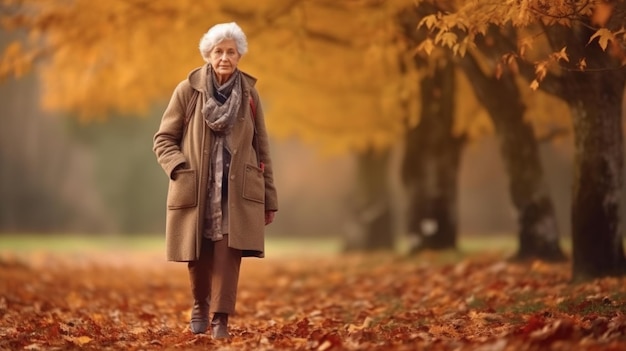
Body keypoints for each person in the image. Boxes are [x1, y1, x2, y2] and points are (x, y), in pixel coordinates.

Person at [153, 22, 278, 339]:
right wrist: (179, 167)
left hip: (236, 189)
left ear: (239, 56)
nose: (224, 57)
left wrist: (270, 199)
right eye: (219, 51)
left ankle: (221, 317)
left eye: (231, 52)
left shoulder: (250, 94)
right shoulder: (188, 90)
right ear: (209, 54)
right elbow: (163, 139)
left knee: (228, 253)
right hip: (196, 186)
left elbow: (261, 149)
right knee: (198, 250)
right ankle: (200, 305)